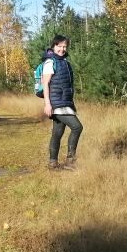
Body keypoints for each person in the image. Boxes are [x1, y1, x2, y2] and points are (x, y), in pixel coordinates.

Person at [41, 34, 82, 170]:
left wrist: (71, 103)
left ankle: (53, 163)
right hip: (57, 104)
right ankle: (70, 161)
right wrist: (48, 104)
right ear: (54, 46)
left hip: (65, 102)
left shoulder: (65, 62)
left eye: (65, 46)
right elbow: (45, 84)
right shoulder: (50, 62)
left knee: (57, 133)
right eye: (59, 46)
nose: (62, 49)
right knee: (77, 127)